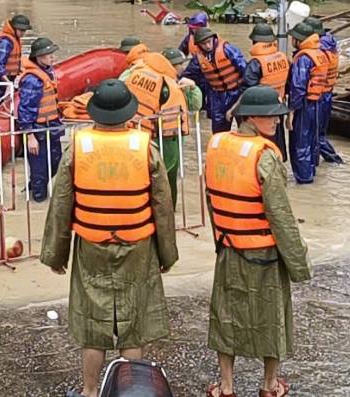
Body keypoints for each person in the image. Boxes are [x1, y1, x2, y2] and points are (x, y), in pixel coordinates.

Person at [41, 79, 178, 397]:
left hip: (92, 245)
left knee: (93, 323)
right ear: (129, 114)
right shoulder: (146, 147)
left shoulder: (77, 146)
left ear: (95, 114)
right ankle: (132, 390)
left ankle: (90, 391)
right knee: (133, 324)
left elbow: (61, 203)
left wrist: (56, 254)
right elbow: (163, 206)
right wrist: (167, 254)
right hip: (138, 246)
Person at [205, 87, 312, 397]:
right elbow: (282, 217)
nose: (277, 121)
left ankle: (226, 386)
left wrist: (220, 239)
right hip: (263, 253)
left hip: (228, 246)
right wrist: (299, 264)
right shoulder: (264, 156)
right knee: (272, 316)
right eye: (271, 116)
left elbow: (213, 201)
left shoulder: (215, 144)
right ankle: (269, 385)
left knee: (225, 315)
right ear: (251, 117)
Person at [123, 52, 190, 206]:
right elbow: (192, 107)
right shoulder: (169, 86)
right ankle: (167, 211)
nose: (181, 68)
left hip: (138, 134)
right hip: (166, 139)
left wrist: (192, 89)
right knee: (165, 178)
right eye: (179, 65)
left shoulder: (135, 75)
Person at [18, 37, 64, 202]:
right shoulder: (32, 79)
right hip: (38, 130)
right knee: (40, 170)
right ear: (38, 57)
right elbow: (25, 109)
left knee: (56, 162)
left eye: (52, 53)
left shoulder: (47, 73)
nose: (52, 57)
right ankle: (38, 199)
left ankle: (32, 189)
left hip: (51, 127)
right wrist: (30, 136)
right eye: (48, 54)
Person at [286, 22, 328, 184]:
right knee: (311, 141)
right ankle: (310, 174)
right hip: (316, 103)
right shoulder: (319, 53)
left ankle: (304, 180)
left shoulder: (303, 58)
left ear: (298, 40)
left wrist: (291, 112)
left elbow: (298, 86)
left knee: (300, 144)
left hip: (303, 105)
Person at [183, 27, 247, 133]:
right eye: (204, 44)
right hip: (217, 96)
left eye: (209, 42)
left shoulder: (227, 49)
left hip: (237, 91)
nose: (207, 46)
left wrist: (246, 91)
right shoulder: (198, 59)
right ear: (198, 45)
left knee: (245, 128)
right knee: (219, 131)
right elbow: (187, 75)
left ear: (213, 39)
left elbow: (245, 69)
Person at [241, 23, 290, 156]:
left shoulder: (256, 63)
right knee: (277, 141)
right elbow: (289, 84)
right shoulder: (283, 58)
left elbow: (248, 89)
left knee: (261, 145)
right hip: (278, 106)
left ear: (254, 41)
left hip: (262, 110)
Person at [303, 17, 343, 164]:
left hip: (319, 96)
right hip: (327, 93)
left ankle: (334, 161)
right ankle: (327, 163)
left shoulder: (320, 50)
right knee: (319, 134)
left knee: (315, 135)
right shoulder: (330, 44)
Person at [0, 14, 31, 104]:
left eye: (24, 30)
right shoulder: (5, 42)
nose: (23, 33)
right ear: (14, 28)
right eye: (21, 30)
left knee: (8, 102)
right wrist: (7, 83)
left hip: (8, 78)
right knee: (0, 103)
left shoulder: (15, 39)